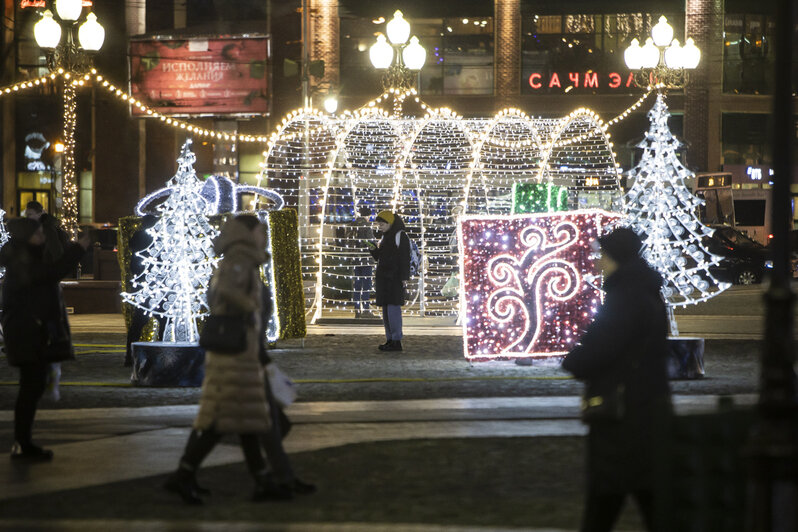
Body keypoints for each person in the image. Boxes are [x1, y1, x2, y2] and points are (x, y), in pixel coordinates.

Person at [164, 215, 284, 505]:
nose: (264, 235)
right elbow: (223, 292)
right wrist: (251, 307)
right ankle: (184, 475)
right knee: (226, 418)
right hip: (235, 349)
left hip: (239, 350)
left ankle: (262, 479)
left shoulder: (240, 257)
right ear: (248, 233)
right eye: (261, 230)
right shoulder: (239, 258)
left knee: (243, 417)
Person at [561, 227, 672, 532]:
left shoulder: (625, 296)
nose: (597, 262)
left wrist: (573, 360)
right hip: (646, 408)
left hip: (623, 414)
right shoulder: (644, 290)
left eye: (602, 255)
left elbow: (600, 347)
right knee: (648, 497)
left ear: (616, 258)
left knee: (607, 498)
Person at [0, 217, 88, 461]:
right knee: (30, 387)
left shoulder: (24, 257)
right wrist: (79, 248)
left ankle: (23, 442)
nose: (42, 237)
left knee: (32, 386)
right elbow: (52, 273)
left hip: (29, 331)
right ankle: (21, 443)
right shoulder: (22, 260)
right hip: (26, 333)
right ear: (27, 237)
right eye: (38, 233)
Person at [124, 214, 165, 366]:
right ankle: (161, 355)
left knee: (138, 323)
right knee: (162, 320)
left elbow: (133, 260)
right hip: (158, 286)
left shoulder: (138, 237)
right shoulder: (158, 238)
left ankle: (130, 356)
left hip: (144, 286)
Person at [368, 210, 410, 352]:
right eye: (379, 224)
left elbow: (405, 257)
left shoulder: (399, 236)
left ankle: (396, 340)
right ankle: (390, 339)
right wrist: (373, 250)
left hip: (394, 278)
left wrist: (404, 277)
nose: (379, 226)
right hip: (384, 279)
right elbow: (381, 257)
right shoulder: (385, 237)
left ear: (389, 223)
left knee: (392, 310)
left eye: (382, 224)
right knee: (386, 311)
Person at [350, 206, 375, 317]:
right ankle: (366, 309)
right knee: (366, 285)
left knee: (357, 285)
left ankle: (357, 309)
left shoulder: (353, 225)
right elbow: (369, 242)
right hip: (366, 259)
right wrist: (374, 246)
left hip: (355, 259)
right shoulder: (366, 226)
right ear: (368, 215)